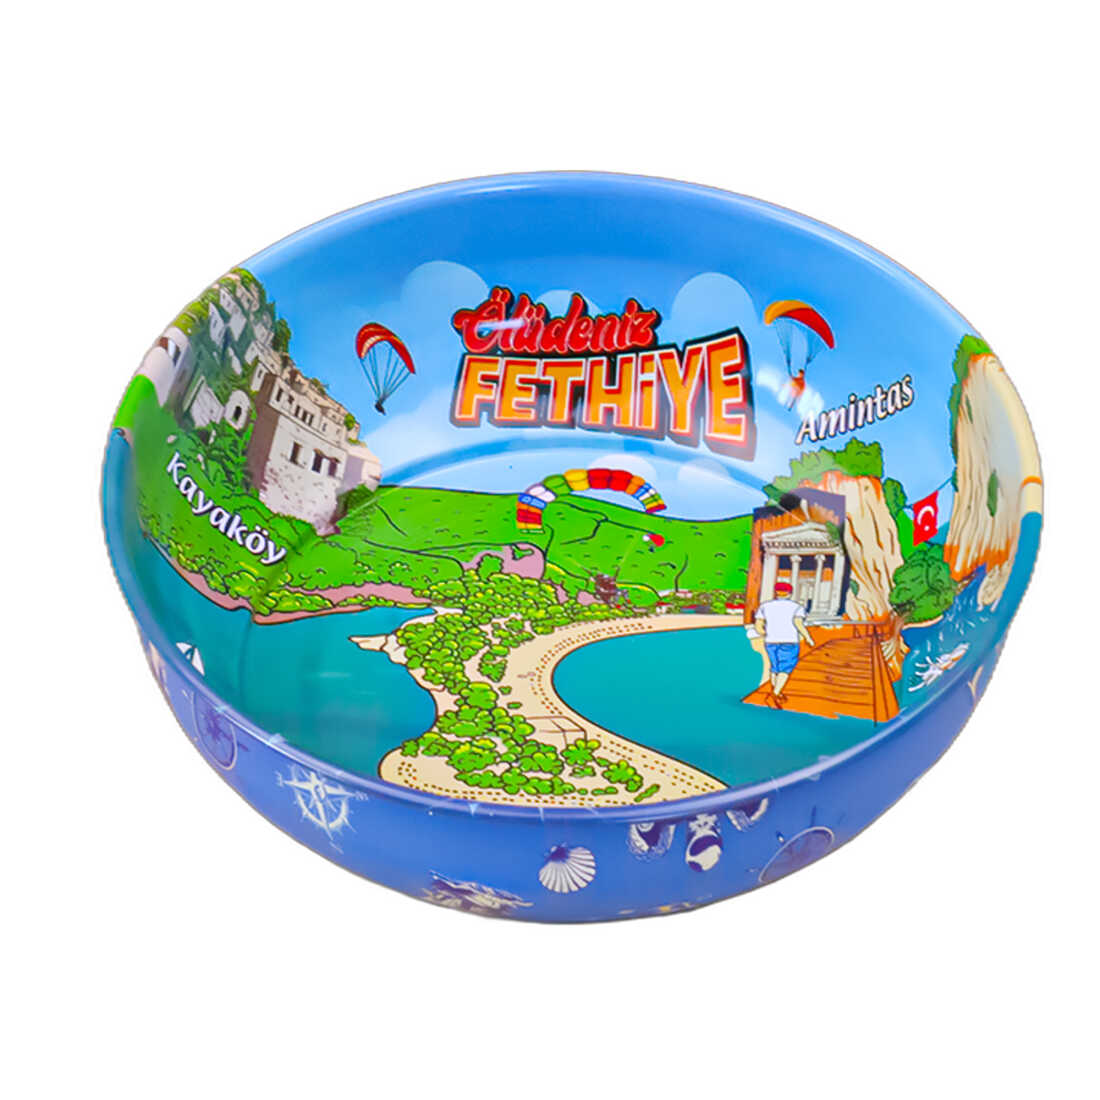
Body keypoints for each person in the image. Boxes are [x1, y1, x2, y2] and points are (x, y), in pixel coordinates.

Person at [754, 581, 815, 704]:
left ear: (776, 592)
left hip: (770, 641)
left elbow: (758, 626)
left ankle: (776, 690)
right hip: (789, 640)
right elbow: (798, 624)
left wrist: (766, 633)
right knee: (785, 668)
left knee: (775, 667)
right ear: (790, 593)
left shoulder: (765, 606)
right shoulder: (796, 607)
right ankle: (775, 693)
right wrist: (808, 637)